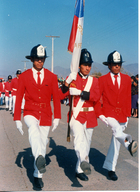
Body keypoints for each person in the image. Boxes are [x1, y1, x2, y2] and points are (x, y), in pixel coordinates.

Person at [14, 44, 61, 189]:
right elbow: (19, 96)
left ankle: (37, 175)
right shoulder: (24, 76)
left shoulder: (52, 77)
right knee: (33, 130)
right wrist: (17, 118)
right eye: (37, 58)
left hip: (46, 114)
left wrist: (57, 116)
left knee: (41, 143)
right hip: (30, 112)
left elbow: (57, 97)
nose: (40, 61)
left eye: (42, 59)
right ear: (32, 59)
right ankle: (39, 158)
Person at [59, 49, 100, 181]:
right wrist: (66, 83)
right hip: (76, 116)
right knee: (78, 140)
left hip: (90, 117)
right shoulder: (72, 78)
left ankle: (79, 169)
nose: (87, 68)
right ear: (79, 65)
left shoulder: (94, 81)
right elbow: (60, 95)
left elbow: (97, 97)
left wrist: (82, 93)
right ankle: (83, 161)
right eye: (85, 65)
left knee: (86, 143)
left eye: (89, 65)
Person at [97, 51, 138, 181]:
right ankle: (129, 143)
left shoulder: (127, 79)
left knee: (116, 141)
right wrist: (100, 114)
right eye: (114, 64)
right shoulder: (102, 80)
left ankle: (111, 169)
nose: (117, 66)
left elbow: (127, 96)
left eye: (119, 64)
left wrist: (127, 114)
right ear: (109, 65)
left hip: (122, 115)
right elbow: (98, 99)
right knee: (116, 130)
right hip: (109, 114)